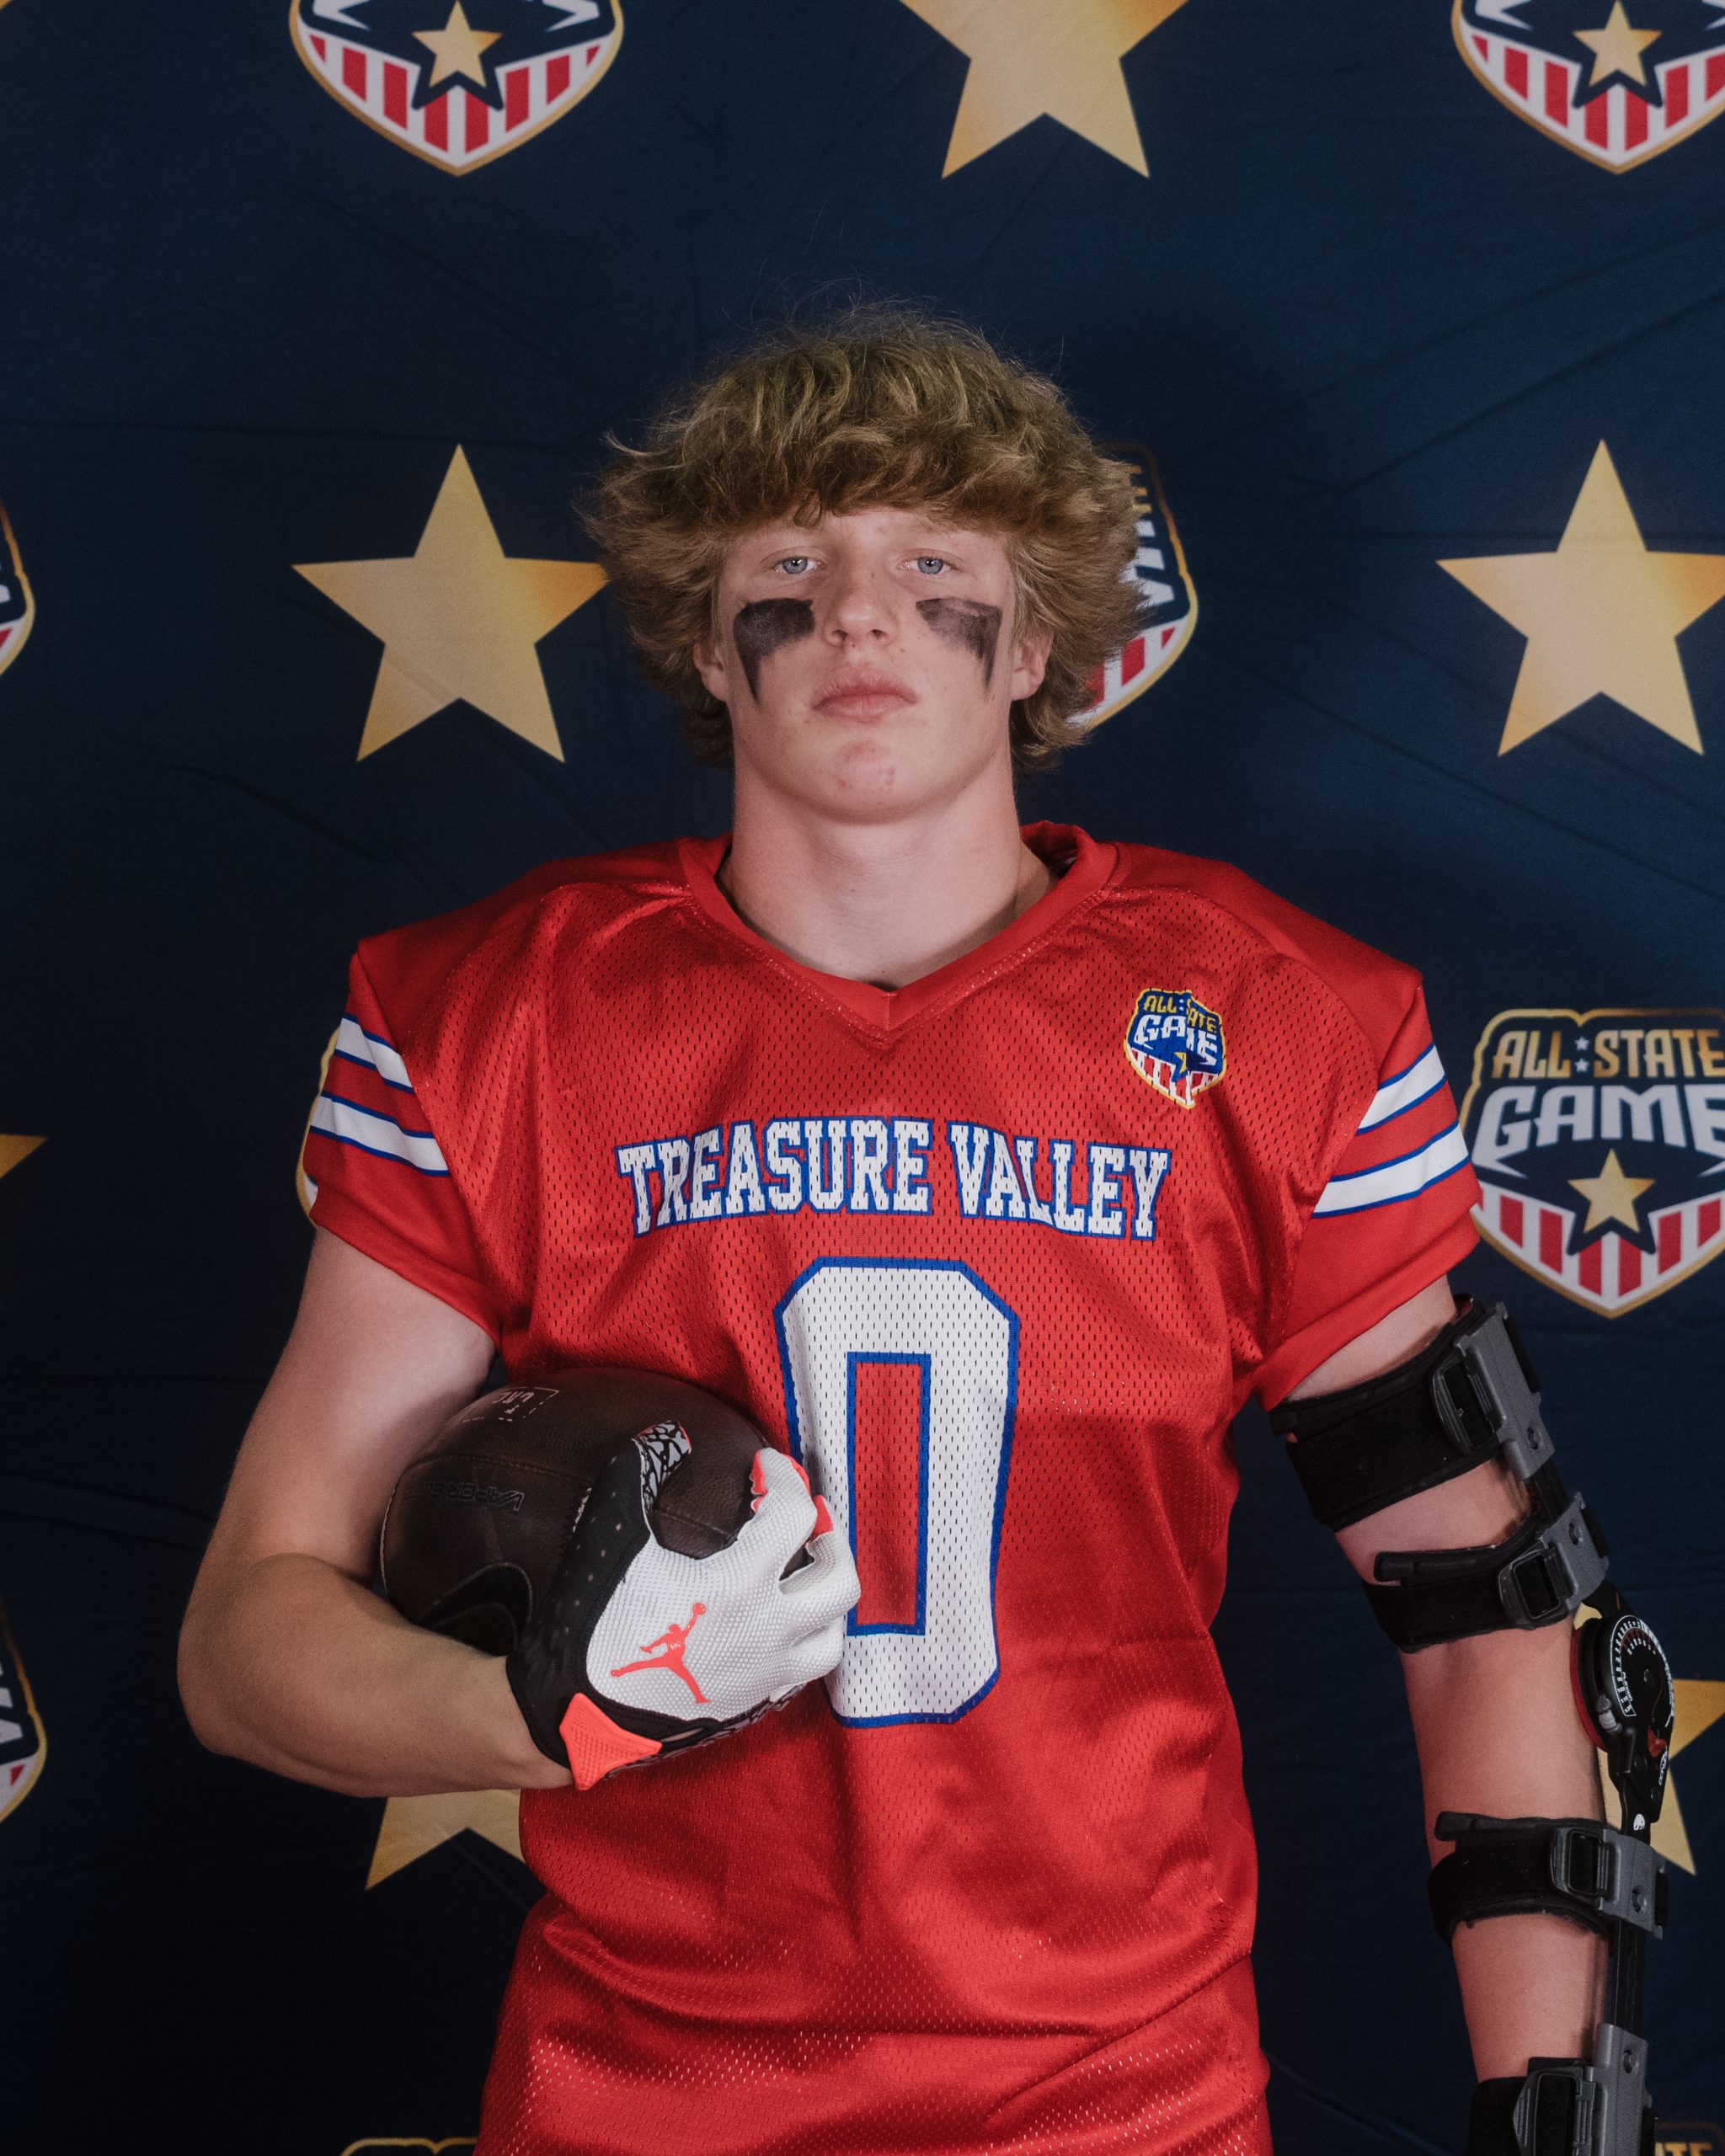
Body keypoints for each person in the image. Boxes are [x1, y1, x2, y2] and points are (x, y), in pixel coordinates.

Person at [178, 312, 1605, 2154]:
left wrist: (1557, 2121)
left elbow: (1486, 1615)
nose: (860, 615)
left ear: (1035, 640)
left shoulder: (1264, 1018)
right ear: (708, 643)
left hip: (1124, 2108)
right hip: (643, 2100)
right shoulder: (504, 1017)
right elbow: (250, 1633)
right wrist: (560, 1714)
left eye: (934, 569)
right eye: (791, 568)